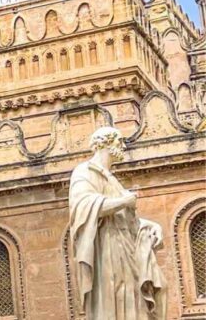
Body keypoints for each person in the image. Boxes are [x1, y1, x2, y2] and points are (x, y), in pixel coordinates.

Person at [68, 126, 166, 319]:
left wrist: (151, 225)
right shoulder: (84, 171)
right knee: (117, 296)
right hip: (108, 246)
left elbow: (125, 219)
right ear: (104, 143)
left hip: (126, 247)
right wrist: (124, 201)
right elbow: (82, 206)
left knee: (143, 296)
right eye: (119, 141)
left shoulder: (111, 179)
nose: (123, 146)